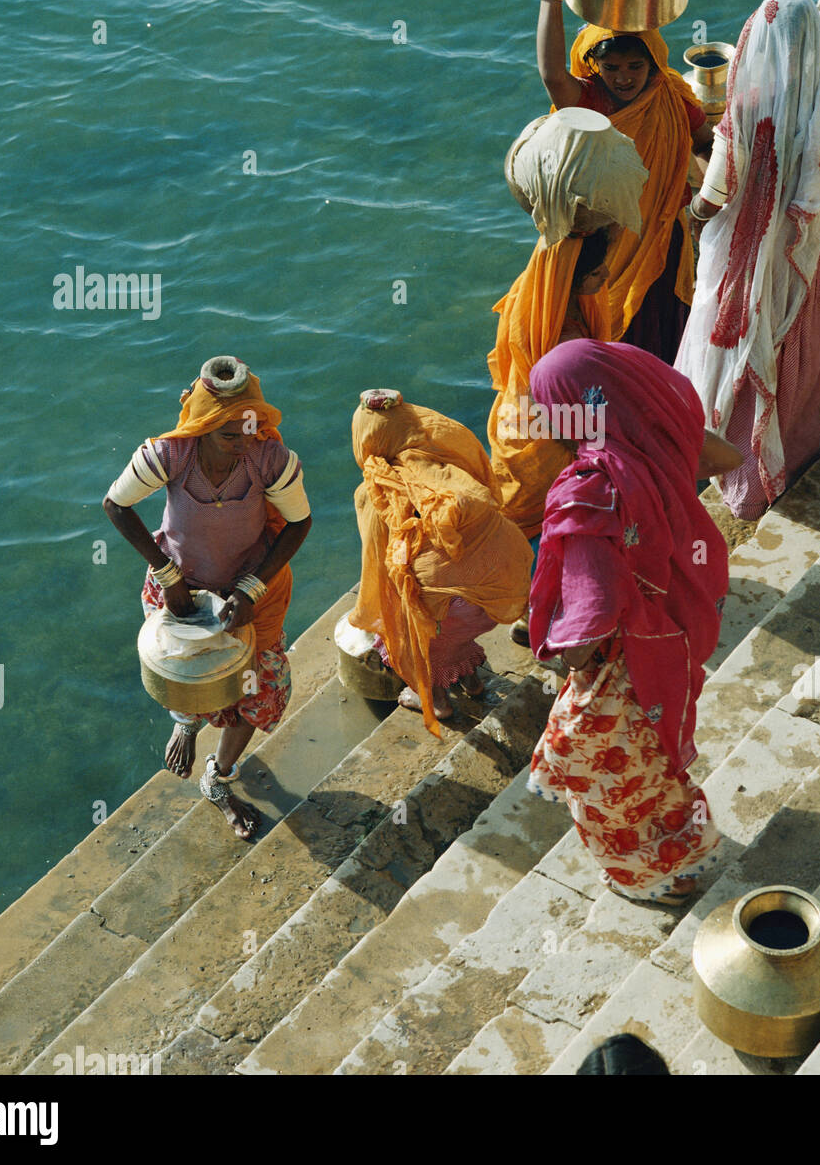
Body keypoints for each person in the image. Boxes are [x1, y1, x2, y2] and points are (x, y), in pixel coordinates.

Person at [524, 339, 741, 904]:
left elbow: (590, 615)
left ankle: (654, 879)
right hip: (676, 626)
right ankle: (681, 855)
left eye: (548, 408)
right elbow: (726, 458)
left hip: (626, 658)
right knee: (654, 754)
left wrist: (559, 648)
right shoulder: (660, 440)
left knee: (606, 777)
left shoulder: (590, 491)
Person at [676, 0, 820, 519]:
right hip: (817, 258)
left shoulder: (743, 111)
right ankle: (793, 458)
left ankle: (746, 478)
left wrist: (688, 212)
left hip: (753, 270)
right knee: (809, 357)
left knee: (754, 361)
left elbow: (715, 199)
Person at [103, 356, 312, 839]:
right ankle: (187, 722)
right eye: (229, 435)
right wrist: (168, 574)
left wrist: (250, 587)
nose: (243, 443)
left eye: (250, 430)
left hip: (250, 594)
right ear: (202, 429)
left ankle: (218, 777)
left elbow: (299, 523)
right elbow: (116, 504)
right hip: (180, 592)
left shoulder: (271, 461)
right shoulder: (170, 456)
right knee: (188, 678)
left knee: (257, 689)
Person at [537, 0, 715, 363]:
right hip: (603, 246)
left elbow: (706, 143)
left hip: (663, 241)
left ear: (654, 65)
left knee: (661, 335)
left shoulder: (671, 98)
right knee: (609, 336)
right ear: (594, 67)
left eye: (636, 66)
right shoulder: (590, 102)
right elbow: (550, 73)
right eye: (612, 67)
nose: (624, 77)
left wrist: (714, 199)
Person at [488, 107, 647, 571]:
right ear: (579, 278)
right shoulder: (569, 341)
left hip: (516, 427)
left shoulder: (539, 290)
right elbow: (570, 425)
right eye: (600, 272)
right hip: (547, 451)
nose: (608, 275)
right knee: (557, 545)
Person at [349, 389, 533, 734]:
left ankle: (438, 702)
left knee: (408, 636)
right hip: (498, 590)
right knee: (455, 634)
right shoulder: (447, 466)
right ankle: (474, 685)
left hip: (450, 610)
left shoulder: (373, 491)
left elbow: (380, 566)